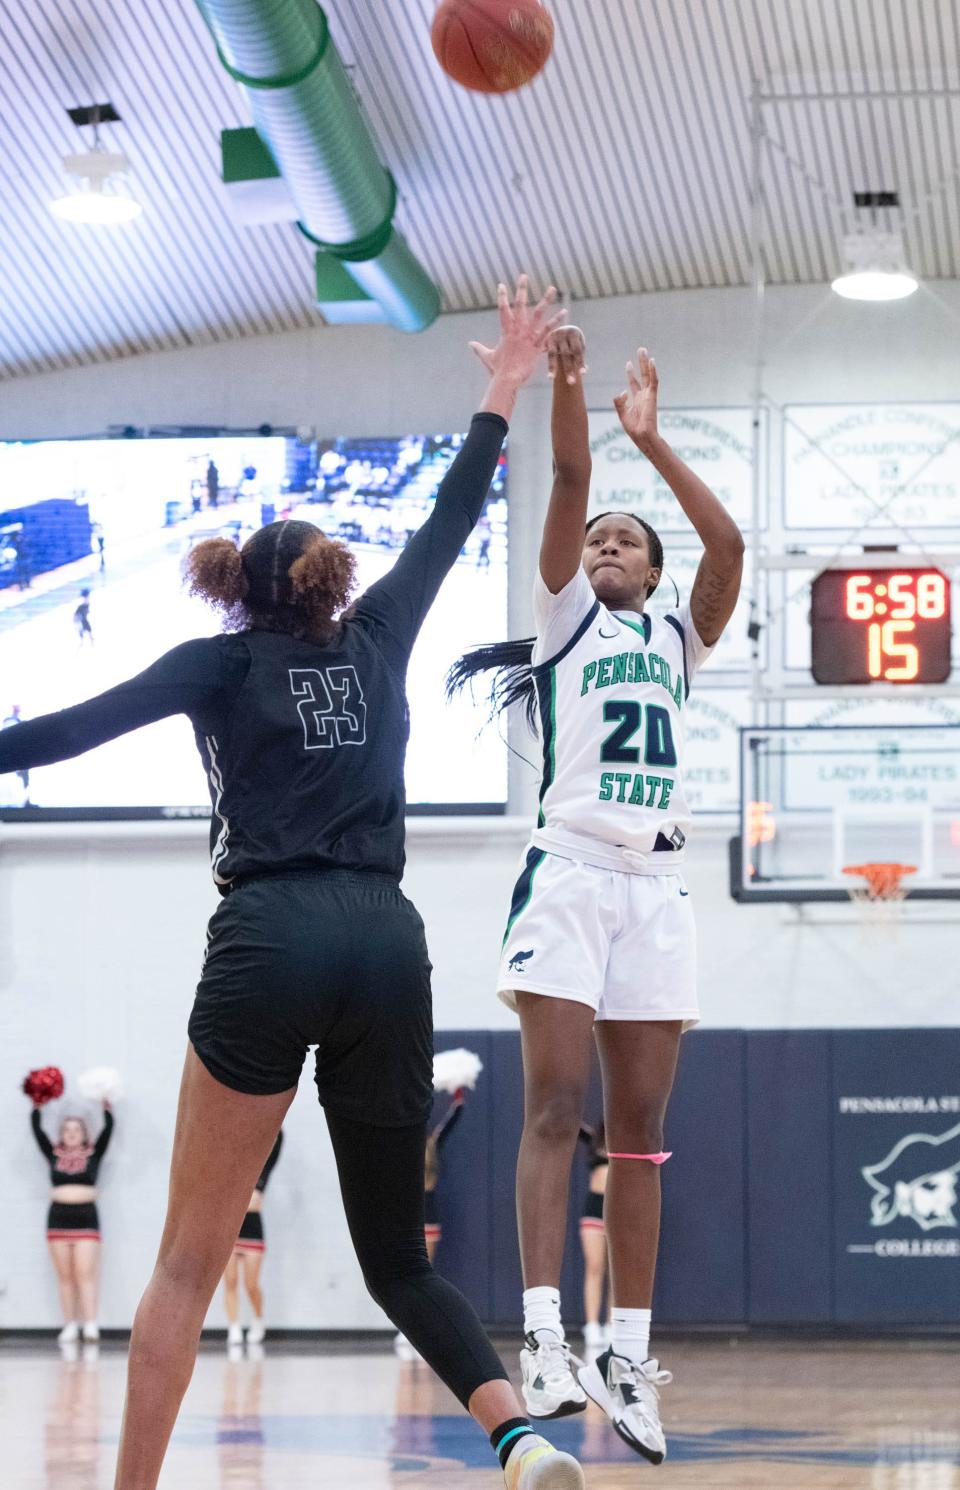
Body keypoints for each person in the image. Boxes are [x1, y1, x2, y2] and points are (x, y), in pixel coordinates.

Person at [0, 278, 584, 1490]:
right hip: (386, 937)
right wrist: (502, 384)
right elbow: (446, 518)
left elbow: (58, 733)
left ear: (236, 589)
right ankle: (518, 1437)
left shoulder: (214, 662)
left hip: (272, 933)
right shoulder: (378, 635)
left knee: (182, 1262)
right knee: (398, 1258)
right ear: (327, 582)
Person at [448, 328, 744, 1463]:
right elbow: (568, 481)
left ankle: (626, 1349)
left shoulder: (678, 634)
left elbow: (725, 541)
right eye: (600, 537)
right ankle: (541, 1334)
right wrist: (570, 389)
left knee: (642, 1135)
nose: (609, 542)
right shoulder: (567, 617)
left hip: (657, 887)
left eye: (630, 539)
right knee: (554, 1109)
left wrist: (654, 441)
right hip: (571, 869)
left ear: (653, 573)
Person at [29, 1098, 114, 1345]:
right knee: (64, 1275)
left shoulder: (93, 1154)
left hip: (86, 1222)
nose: (72, 1134)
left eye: (77, 1129)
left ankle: (90, 1324)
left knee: (85, 1273)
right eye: (67, 1130)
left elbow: (108, 1132)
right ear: (61, 1134)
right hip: (58, 1222)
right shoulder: (53, 1154)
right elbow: (37, 1132)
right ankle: (69, 1324)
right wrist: (36, 1105)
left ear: (84, 1133)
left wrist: (107, 1109)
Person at [395, 1087, 467, 1361]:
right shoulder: (402, 1146)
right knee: (406, 1274)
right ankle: (405, 1328)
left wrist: (458, 1089)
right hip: (408, 1211)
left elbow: (454, 1116)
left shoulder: (433, 1143)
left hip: (430, 1211)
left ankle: (420, 1331)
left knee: (423, 1274)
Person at [222, 1131, 283, 1347]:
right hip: (230, 1231)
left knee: (250, 1284)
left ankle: (258, 1319)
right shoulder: (229, 1173)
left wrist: (277, 1125)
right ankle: (234, 1327)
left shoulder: (261, 1172)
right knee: (229, 1282)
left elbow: (276, 1148)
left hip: (253, 1232)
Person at [577, 1121, 609, 1355]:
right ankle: (591, 1325)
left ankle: (612, 1324)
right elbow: (574, 1125)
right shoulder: (594, 1140)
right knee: (594, 1267)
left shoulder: (628, 1139)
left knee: (618, 1272)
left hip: (620, 1209)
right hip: (594, 1208)